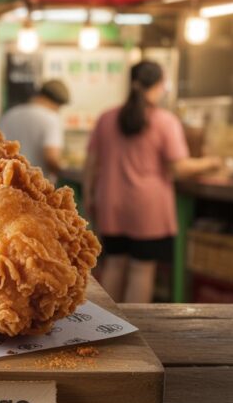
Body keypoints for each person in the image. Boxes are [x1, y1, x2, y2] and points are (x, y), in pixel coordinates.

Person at [84, 60, 222, 303]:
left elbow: (91, 164)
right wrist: (211, 163)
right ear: (159, 85)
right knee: (142, 269)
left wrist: (88, 196)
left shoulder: (107, 118)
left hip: (111, 203)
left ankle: (107, 325)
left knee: (114, 264)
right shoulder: (165, 121)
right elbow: (179, 168)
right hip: (148, 208)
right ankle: (134, 328)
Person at [0, 79, 69, 182]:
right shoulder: (51, 119)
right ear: (57, 103)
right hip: (37, 187)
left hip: (8, 183)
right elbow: (51, 158)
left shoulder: (10, 114)